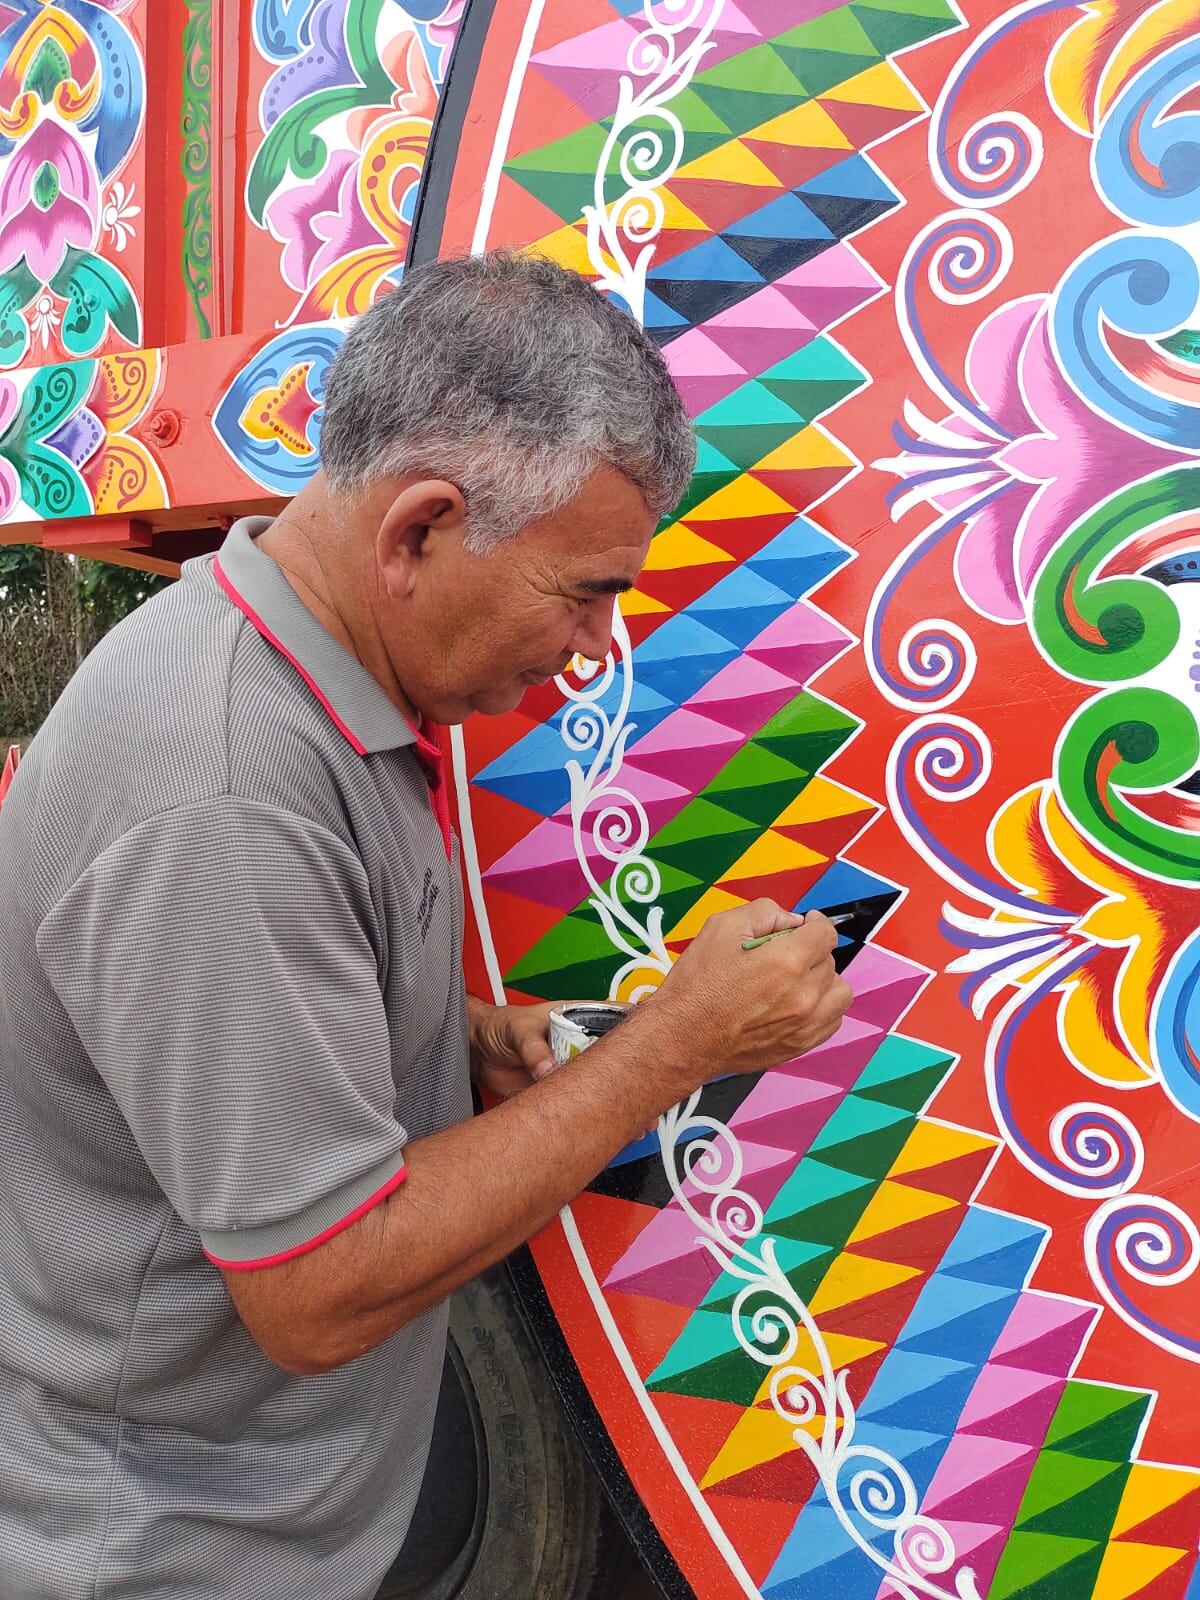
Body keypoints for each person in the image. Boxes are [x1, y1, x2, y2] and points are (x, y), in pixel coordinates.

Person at [0, 252, 852, 1599]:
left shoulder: (322, 676)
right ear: (418, 531)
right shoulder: (223, 786)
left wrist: (447, 1037)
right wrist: (669, 1048)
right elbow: (322, 1285)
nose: (594, 646)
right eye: (581, 590)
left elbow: (232, 1019)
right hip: (174, 1557)